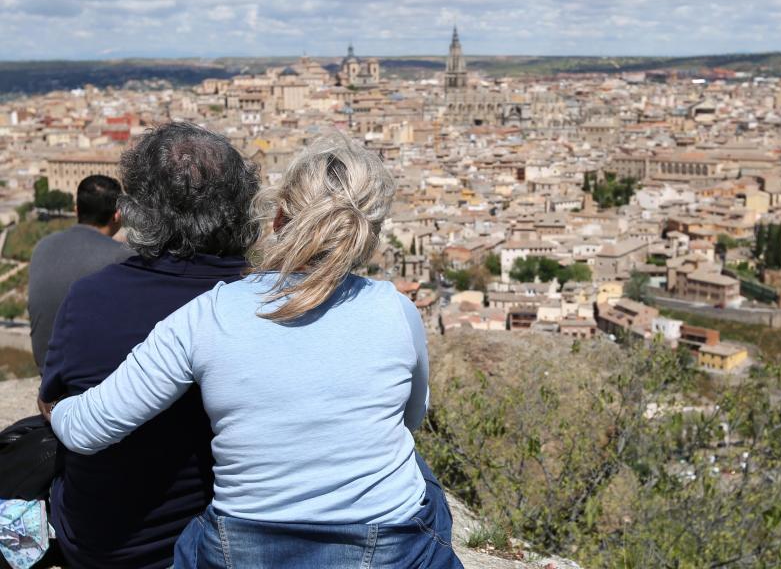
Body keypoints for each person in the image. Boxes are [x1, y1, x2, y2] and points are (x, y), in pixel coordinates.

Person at [49, 132, 463, 568]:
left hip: (243, 549)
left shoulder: (210, 314)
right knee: (415, 467)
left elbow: (86, 432)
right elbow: (410, 418)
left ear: (279, 216)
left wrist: (53, 406)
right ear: (368, 234)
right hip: (389, 550)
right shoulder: (396, 309)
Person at [37, 122, 261, 569]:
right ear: (241, 209)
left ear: (135, 210)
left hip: (100, 544)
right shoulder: (260, 306)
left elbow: (53, 402)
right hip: (218, 542)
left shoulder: (89, 296)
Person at [28, 175, 133, 371]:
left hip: (47, 374)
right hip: (95, 383)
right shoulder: (123, 258)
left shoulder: (42, 247)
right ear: (117, 215)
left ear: (76, 210)